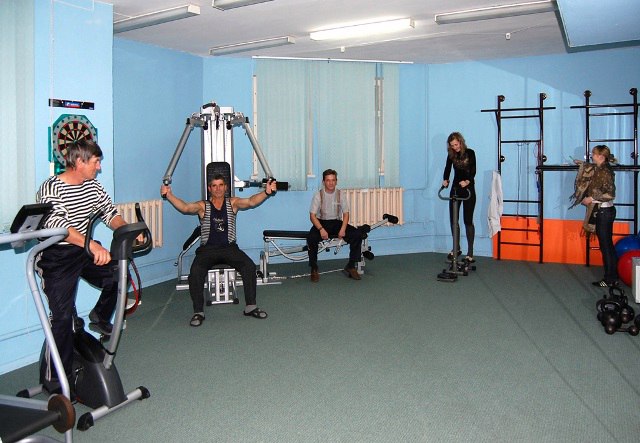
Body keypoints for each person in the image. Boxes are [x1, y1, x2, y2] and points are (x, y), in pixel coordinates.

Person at [36, 139, 130, 391]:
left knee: (118, 273)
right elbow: (59, 226)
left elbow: (110, 213)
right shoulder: (51, 188)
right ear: (79, 162)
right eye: (96, 162)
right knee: (63, 318)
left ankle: (99, 316)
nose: (99, 167)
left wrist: (127, 230)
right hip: (55, 256)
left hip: (83, 250)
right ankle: (56, 381)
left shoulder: (93, 187)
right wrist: (91, 245)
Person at [161, 175, 276, 326]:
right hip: (207, 250)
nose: (218, 188)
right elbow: (186, 207)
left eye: (221, 185)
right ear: (209, 188)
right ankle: (198, 312)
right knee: (195, 272)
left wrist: (266, 192)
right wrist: (169, 195)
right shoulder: (203, 206)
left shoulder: (233, 203)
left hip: (229, 248)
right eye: (214, 185)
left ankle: (250, 306)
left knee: (248, 266)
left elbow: (251, 201)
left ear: (225, 187)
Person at [570, 145, 618, 287]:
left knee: (606, 246)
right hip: (604, 211)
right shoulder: (601, 168)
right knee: (607, 245)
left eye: (594, 154)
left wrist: (591, 198)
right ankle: (612, 276)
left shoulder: (605, 172)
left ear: (601, 157)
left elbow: (610, 194)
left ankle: (609, 279)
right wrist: (582, 163)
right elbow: (591, 167)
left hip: (604, 212)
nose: (592, 156)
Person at [307, 169, 362, 282]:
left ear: (336, 181)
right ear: (323, 182)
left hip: (336, 223)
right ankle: (314, 267)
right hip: (321, 222)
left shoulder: (341, 194)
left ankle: (351, 266)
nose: (331, 183)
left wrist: (343, 229)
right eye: (328, 180)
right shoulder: (318, 195)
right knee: (311, 238)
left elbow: (346, 213)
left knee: (357, 234)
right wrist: (321, 229)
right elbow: (312, 216)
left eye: (333, 180)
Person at [442, 132, 477, 262]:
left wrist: (467, 181)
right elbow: (447, 168)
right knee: (453, 220)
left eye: (456, 145)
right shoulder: (451, 155)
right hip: (456, 189)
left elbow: (473, 170)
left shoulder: (470, 153)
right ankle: (456, 248)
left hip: (468, 189)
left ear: (461, 142)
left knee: (468, 220)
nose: (455, 147)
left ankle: (470, 253)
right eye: (452, 145)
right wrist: (445, 179)